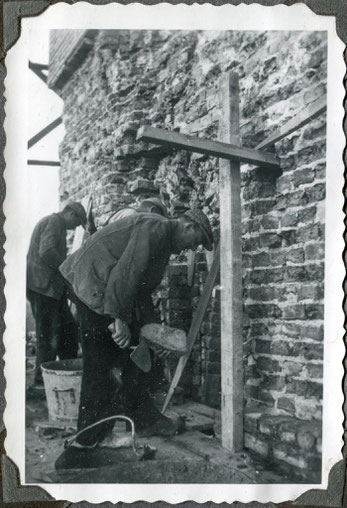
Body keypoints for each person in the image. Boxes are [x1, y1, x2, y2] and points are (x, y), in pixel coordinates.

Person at [58, 209, 213, 453]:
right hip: (92, 285)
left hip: (99, 286)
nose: (191, 249)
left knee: (128, 360)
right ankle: (87, 441)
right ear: (189, 227)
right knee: (102, 365)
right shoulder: (157, 227)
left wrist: (152, 334)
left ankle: (141, 420)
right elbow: (127, 273)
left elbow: (140, 291)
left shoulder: (162, 240)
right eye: (195, 243)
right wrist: (117, 318)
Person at [27, 201, 87, 385]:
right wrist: (67, 267)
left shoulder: (58, 226)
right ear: (69, 213)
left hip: (52, 289)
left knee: (68, 329)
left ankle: (68, 367)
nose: (75, 227)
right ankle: (42, 380)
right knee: (48, 335)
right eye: (77, 222)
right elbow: (47, 252)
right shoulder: (53, 222)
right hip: (43, 288)